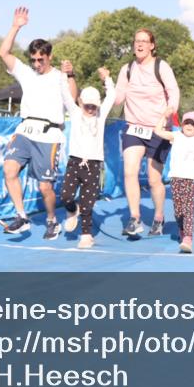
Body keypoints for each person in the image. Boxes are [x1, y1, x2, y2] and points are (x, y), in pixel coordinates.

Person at [0, 6, 77, 241]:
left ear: (49, 57)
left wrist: (70, 75)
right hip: (25, 130)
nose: (36, 64)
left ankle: (52, 219)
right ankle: (21, 216)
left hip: (49, 135)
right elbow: (3, 52)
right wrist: (16, 26)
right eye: (33, 60)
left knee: (45, 188)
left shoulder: (58, 76)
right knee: (9, 169)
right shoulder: (26, 72)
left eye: (40, 60)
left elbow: (72, 98)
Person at [114, 28, 180, 238]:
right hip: (133, 126)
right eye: (136, 41)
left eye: (144, 41)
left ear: (152, 45)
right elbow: (117, 98)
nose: (140, 45)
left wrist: (171, 109)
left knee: (153, 180)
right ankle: (135, 218)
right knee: (129, 172)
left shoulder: (161, 67)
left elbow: (174, 91)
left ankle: (159, 217)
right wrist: (106, 89)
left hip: (158, 129)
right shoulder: (127, 69)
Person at [60, 64, 116, 249]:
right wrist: (65, 74)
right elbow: (65, 93)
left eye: (94, 106)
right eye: (87, 105)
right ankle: (71, 210)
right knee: (66, 195)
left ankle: (86, 234)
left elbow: (112, 96)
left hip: (93, 164)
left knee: (88, 202)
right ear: (81, 103)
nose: (90, 109)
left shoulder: (101, 115)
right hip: (75, 161)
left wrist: (106, 79)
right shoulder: (75, 113)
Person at [153, 111, 194, 253]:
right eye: (187, 122)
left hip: (190, 178)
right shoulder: (176, 136)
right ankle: (182, 229)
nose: (189, 125)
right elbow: (157, 131)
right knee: (178, 209)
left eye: (193, 124)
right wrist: (164, 117)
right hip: (176, 177)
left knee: (188, 207)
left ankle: (188, 237)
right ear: (182, 125)